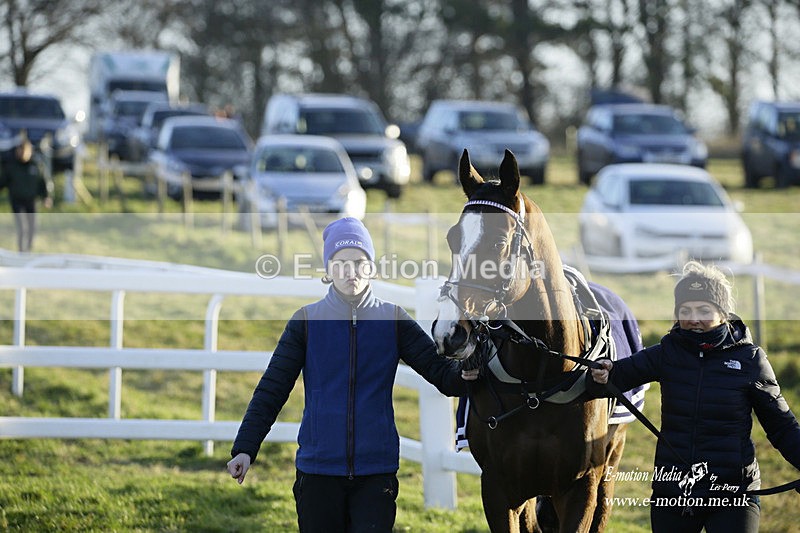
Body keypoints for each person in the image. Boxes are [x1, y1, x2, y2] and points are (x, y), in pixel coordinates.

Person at [227, 217, 476, 532]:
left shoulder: (394, 319)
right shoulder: (305, 322)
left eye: (359, 262)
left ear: (371, 267)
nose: (351, 271)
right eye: (340, 263)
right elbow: (271, 391)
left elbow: (442, 374)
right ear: (328, 270)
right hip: (317, 472)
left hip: (376, 473)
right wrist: (245, 448)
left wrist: (469, 368)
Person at [589, 260, 800, 532]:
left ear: (723, 313)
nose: (693, 318)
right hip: (674, 491)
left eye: (704, 309)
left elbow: (782, 426)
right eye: (685, 310)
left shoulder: (750, 360)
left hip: (733, 494)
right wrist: (602, 373)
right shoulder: (666, 352)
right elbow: (613, 377)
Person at [2, 136, 52, 252]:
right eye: (20, 150)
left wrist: (46, 197)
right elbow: (3, 181)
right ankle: (21, 251)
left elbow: (43, 182)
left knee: (32, 227)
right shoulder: (12, 166)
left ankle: (29, 249)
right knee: (22, 227)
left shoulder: (36, 165)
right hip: (17, 201)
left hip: (31, 201)